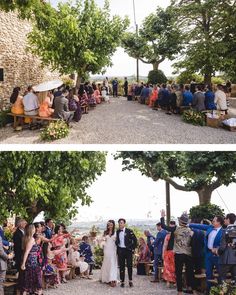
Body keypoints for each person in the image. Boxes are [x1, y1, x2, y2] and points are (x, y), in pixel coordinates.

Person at [161, 210, 197, 295]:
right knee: (190, 273)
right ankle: (194, 290)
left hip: (178, 254)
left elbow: (164, 226)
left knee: (178, 272)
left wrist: (162, 216)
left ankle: (180, 291)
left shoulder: (175, 229)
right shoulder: (191, 231)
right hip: (188, 254)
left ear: (180, 221)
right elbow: (193, 244)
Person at [189, 215, 224, 294]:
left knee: (220, 274)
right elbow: (200, 226)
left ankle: (221, 291)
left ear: (218, 222)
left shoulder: (223, 231)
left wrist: (217, 249)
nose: (212, 222)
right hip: (208, 253)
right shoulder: (210, 227)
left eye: (214, 221)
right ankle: (208, 291)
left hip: (218, 255)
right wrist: (189, 224)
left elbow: (223, 244)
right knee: (208, 273)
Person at [21, 224, 43, 295]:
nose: (35, 229)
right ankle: (38, 291)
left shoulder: (26, 238)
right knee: (36, 278)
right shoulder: (31, 239)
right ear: (31, 230)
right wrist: (23, 263)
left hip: (31, 261)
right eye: (34, 228)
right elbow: (26, 252)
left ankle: (35, 291)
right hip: (32, 262)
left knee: (28, 280)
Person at [116, 218, 137, 288]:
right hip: (121, 251)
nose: (120, 224)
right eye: (119, 223)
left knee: (129, 266)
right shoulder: (117, 231)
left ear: (124, 223)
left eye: (121, 223)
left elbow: (135, 240)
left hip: (128, 251)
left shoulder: (129, 231)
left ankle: (130, 281)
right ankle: (122, 282)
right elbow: (117, 241)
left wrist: (132, 249)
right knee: (121, 267)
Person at [218, 213, 236, 283]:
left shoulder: (225, 231)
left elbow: (222, 247)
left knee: (222, 280)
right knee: (234, 281)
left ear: (228, 219)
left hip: (226, 259)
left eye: (225, 218)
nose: (224, 220)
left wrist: (217, 252)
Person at [100, 220, 118, 287]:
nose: (110, 226)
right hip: (106, 249)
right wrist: (103, 241)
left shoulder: (116, 232)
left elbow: (117, 241)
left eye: (111, 224)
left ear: (113, 225)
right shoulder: (105, 232)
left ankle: (112, 279)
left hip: (113, 249)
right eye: (109, 225)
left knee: (112, 263)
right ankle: (106, 278)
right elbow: (102, 240)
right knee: (107, 262)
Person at [162, 221, 176, 288]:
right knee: (174, 267)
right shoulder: (177, 235)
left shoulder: (167, 236)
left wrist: (163, 253)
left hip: (168, 252)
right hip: (175, 252)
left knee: (167, 267)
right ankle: (175, 282)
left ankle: (168, 282)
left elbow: (165, 245)